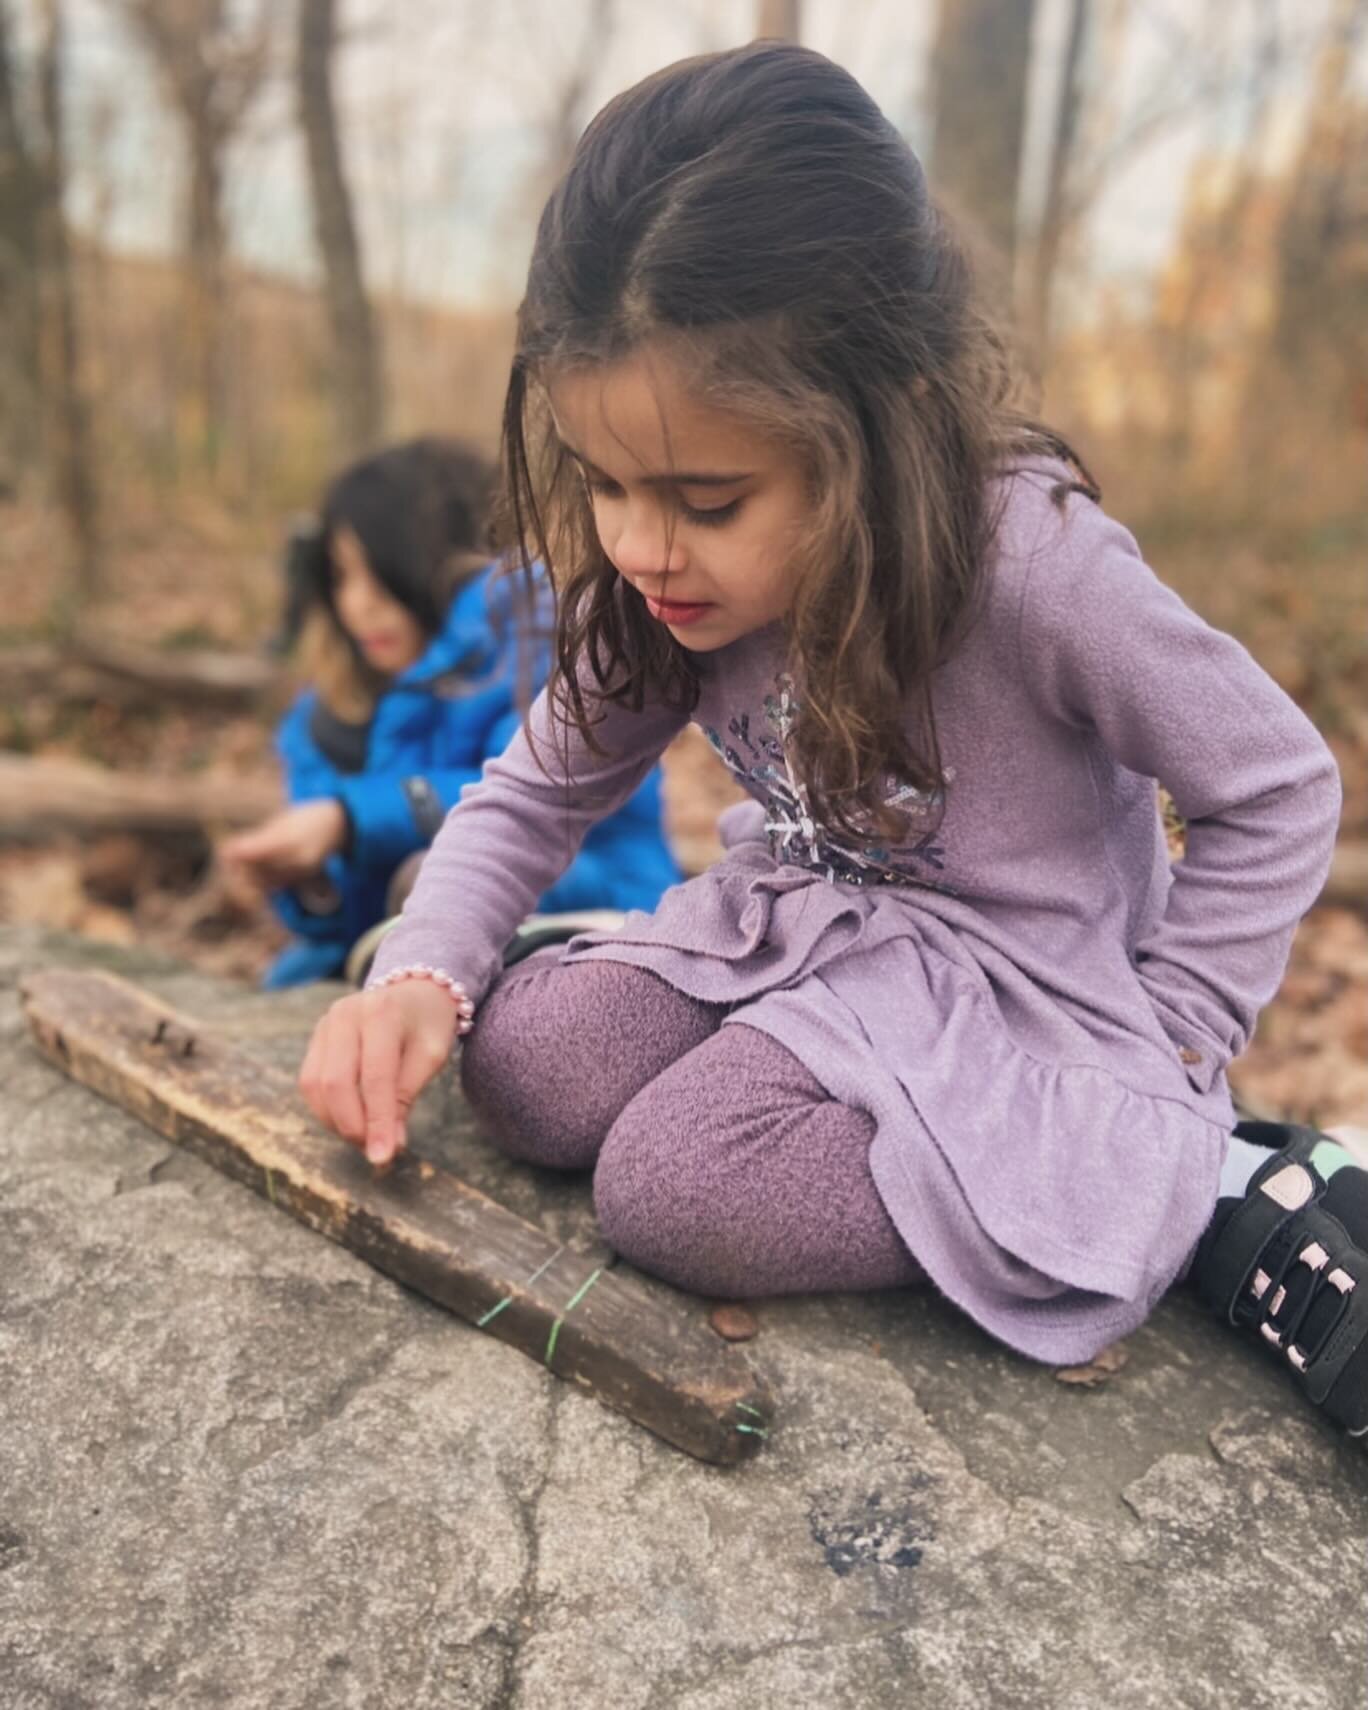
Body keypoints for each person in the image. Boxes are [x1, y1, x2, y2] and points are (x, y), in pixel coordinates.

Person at [297, 45, 1364, 1435]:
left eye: (703, 496)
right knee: (519, 1067)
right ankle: (650, 989)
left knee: (671, 1186)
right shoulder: (666, 579)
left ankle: (1205, 1181)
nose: (637, 544)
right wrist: (425, 975)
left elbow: (1278, 784)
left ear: (878, 422)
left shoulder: (1035, 570)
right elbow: (536, 785)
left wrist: (1170, 1040)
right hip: (798, 926)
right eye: (605, 482)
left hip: (1012, 986)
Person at [221, 437, 682, 988]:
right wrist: (310, 883)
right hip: (408, 940)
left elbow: (533, 803)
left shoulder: (539, 645)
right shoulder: (325, 720)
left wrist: (350, 820)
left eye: (379, 573)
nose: (359, 604)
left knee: (429, 885)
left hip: (595, 895)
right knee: (293, 982)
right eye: (342, 578)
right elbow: (350, 920)